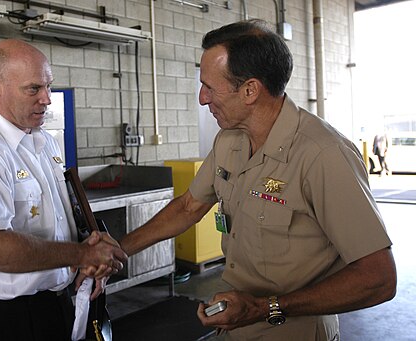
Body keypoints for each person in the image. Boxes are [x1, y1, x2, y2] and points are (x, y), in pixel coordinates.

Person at [119, 20, 396, 340]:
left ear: (250, 90)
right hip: (232, 324)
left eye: (209, 86)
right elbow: (188, 207)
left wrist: (264, 308)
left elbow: (378, 277)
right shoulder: (229, 140)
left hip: (293, 331)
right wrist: (118, 250)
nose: (201, 98)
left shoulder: (323, 155)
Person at [0, 39, 128, 341]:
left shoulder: (43, 143)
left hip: (55, 301)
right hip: (6, 318)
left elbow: (59, 216)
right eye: (34, 89)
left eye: (48, 86)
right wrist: (83, 254)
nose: (47, 99)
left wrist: (90, 243)